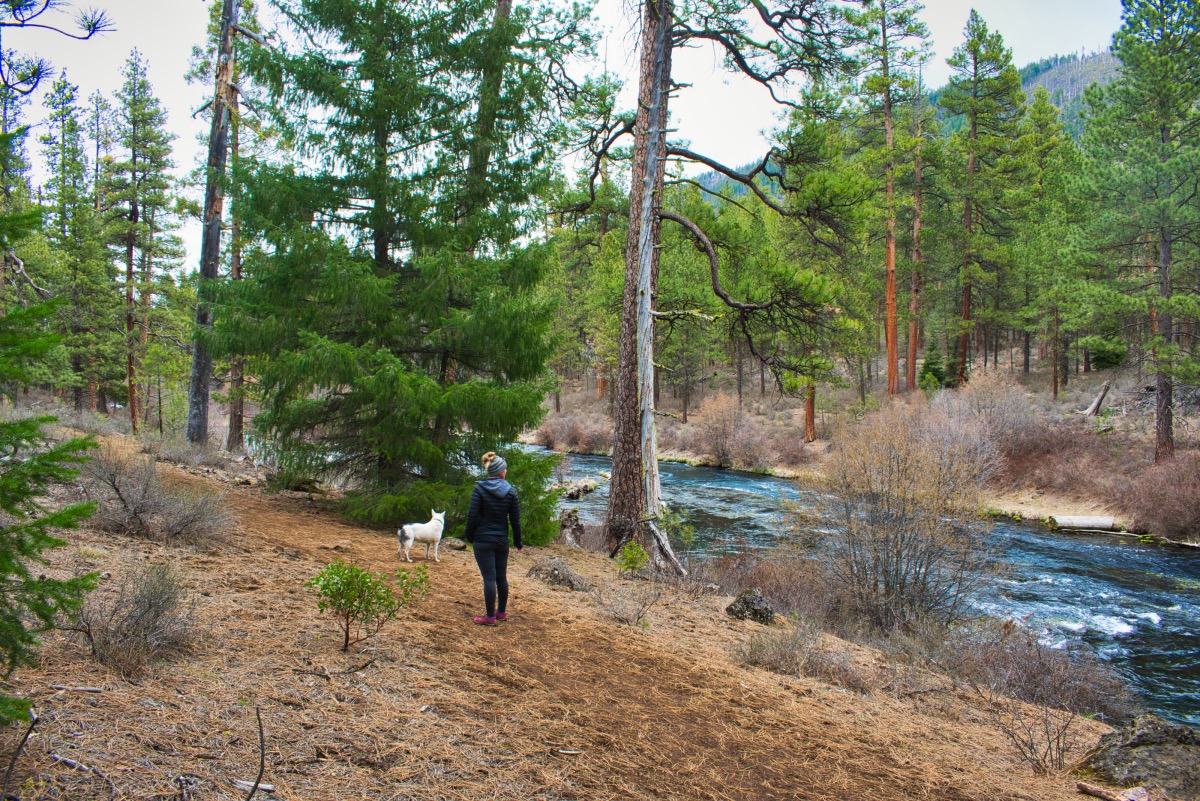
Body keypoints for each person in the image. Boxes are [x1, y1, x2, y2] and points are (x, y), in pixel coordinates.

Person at [464, 451, 522, 625]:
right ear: (501, 471)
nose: (506, 470)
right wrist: (518, 542)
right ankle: (501, 613)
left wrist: (469, 536)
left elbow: (472, 516)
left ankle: (489, 617)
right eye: (505, 468)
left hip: (482, 540)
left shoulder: (479, 489)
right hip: (501, 541)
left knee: (489, 578)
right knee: (501, 577)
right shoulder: (511, 492)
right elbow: (515, 521)